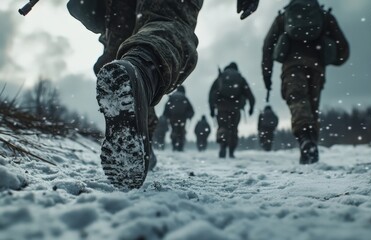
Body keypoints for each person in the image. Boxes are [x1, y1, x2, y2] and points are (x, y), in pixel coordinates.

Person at [67, 0, 259, 189]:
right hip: (230, 108)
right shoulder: (237, 78)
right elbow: (242, 96)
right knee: (167, 22)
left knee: (120, 51)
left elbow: (211, 95)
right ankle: (142, 71)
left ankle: (142, 137)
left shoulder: (221, 78)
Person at [262, 0, 349, 164]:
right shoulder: (324, 16)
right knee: (312, 107)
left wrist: (267, 76)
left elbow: (267, 47)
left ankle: (305, 140)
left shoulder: (284, 17)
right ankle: (310, 145)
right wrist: (329, 58)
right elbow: (343, 49)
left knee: (298, 101)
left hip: (291, 66)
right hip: (316, 68)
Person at [209, 62, 255, 158]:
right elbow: (249, 94)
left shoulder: (221, 77)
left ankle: (222, 146)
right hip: (235, 108)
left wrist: (212, 109)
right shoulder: (240, 78)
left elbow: (212, 94)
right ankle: (231, 150)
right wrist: (251, 107)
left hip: (221, 107)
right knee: (233, 129)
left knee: (223, 127)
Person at [163, 86, 194, 152]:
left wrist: (167, 116)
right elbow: (191, 110)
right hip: (182, 118)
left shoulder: (172, 97)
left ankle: (174, 145)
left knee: (174, 131)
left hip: (173, 118)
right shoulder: (184, 97)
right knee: (181, 132)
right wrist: (188, 116)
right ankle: (180, 146)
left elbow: (166, 108)